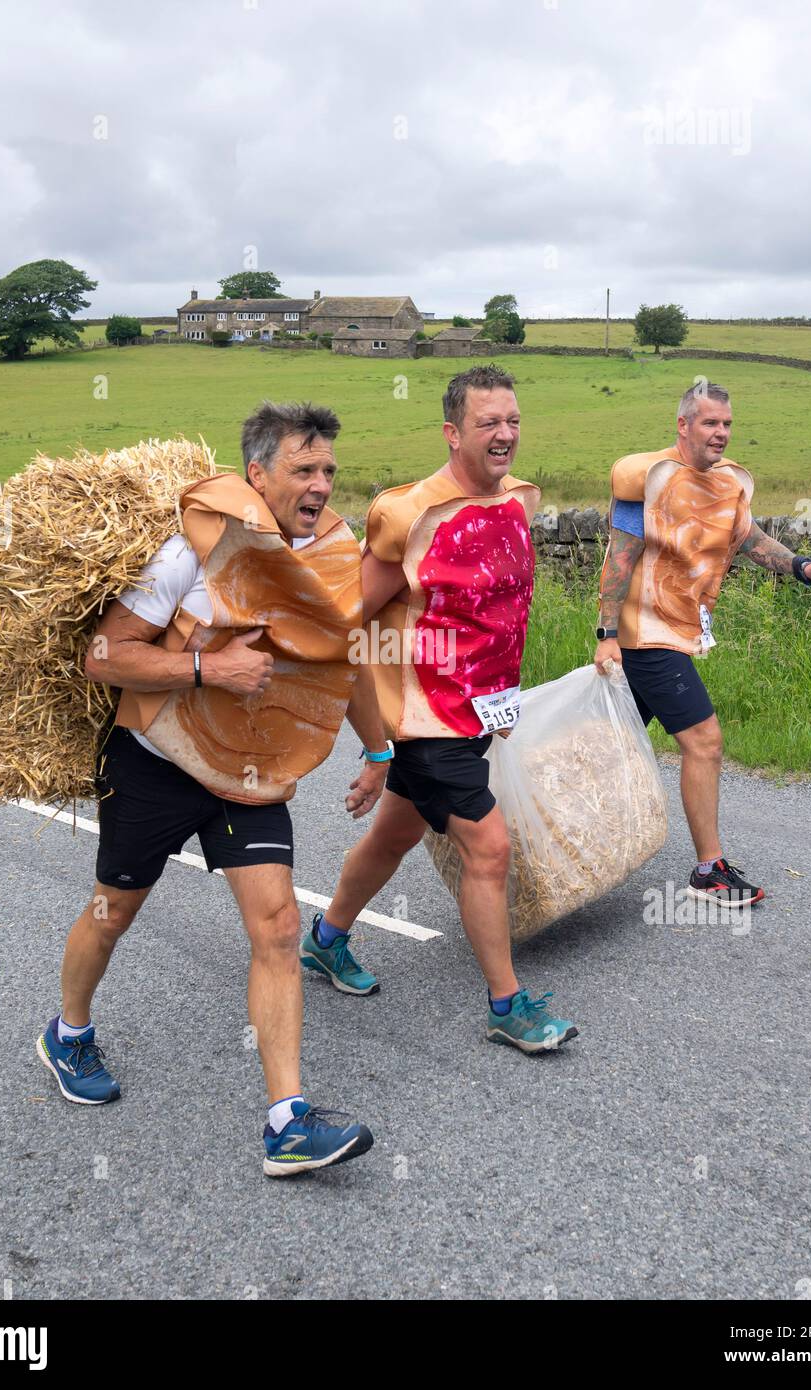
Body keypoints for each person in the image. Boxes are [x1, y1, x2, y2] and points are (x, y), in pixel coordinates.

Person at [36, 402, 392, 1178]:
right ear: (256, 473)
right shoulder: (188, 554)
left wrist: (378, 746)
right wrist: (207, 667)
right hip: (157, 763)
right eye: (304, 469)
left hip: (250, 776)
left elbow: (344, 662)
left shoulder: (330, 558)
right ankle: (67, 1032)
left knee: (275, 930)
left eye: (329, 469)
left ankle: (287, 1122)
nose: (321, 485)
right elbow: (104, 656)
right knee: (113, 911)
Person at [299, 365, 578, 1054]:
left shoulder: (515, 500)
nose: (504, 434)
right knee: (488, 848)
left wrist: (499, 700)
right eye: (488, 423)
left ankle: (325, 941)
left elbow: (499, 614)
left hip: (475, 712)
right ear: (453, 431)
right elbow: (344, 621)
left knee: (393, 835)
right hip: (423, 719)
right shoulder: (409, 515)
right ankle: (507, 1005)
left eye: (512, 421)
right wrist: (373, 739)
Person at [593, 382, 811, 906]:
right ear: (683, 426)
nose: (720, 433)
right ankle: (709, 870)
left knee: (609, 750)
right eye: (709, 423)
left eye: (726, 424)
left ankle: (552, 839)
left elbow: (748, 539)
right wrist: (607, 635)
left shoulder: (726, 484)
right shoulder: (648, 482)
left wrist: (798, 565)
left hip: (680, 632)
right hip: (646, 637)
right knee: (704, 742)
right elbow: (620, 557)